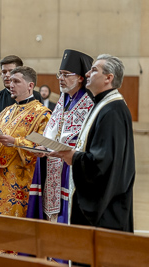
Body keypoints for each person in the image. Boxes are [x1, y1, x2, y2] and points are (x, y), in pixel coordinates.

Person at [0, 66, 50, 250]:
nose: (10, 84)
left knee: (15, 231)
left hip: (21, 184)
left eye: (16, 81)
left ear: (30, 85)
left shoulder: (42, 114)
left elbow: (45, 148)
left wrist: (16, 141)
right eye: (10, 81)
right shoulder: (6, 112)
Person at [49, 54, 135, 232]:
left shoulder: (112, 111)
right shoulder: (103, 104)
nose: (87, 73)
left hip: (107, 207)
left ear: (108, 78)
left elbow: (103, 162)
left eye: (94, 70)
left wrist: (73, 157)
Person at [27, 50, 94, 227]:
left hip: (71, 169)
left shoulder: (89, 102)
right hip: (52, 165)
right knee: (50, 216)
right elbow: (52, 131)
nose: (60, 78)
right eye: (59, 74)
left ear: (81, 77)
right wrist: (42, 147)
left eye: (65, 75)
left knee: (68, 215)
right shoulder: (64, 99)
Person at [0, 55, 42, 184]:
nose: (7, 75)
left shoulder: (36, 100)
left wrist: (15, 143)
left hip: (21, 166)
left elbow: (38, 135)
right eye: (4, 72)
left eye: (11, 72)